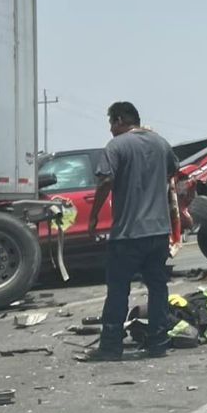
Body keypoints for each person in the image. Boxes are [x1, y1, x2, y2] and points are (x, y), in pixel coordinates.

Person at [76, 102, 179, 362]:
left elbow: (106, 179)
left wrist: (95, 213)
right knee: (157, 287)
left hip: (128, 233)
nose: (111, 130)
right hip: (158, 232)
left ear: (120, 120)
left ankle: (111, 346)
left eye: (112, 123)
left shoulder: (117, 145)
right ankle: (158, 342)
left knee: (119, 289)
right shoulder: (161, 143)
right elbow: (172, 171)